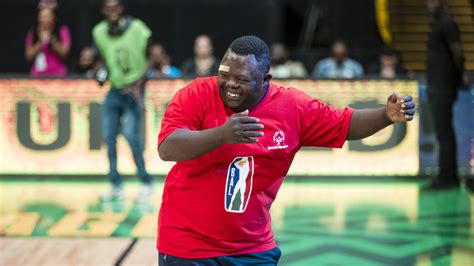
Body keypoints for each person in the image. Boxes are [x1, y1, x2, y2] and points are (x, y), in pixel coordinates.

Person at [157, 35, 416, 264]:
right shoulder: (197, 94)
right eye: (224, 75)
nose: (230, 84)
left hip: (251, 248)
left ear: (265, 79)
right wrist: (222, 135)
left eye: (242, 79)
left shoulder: (292, 107)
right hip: (187, 245)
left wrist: (385, 115)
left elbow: (345, 124)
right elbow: (168, 147)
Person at [92, 0, 153, 202]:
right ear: (103, 10)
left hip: (134, 90)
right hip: (115, 89)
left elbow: (155, 54)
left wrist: (140, 82)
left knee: (130, 135)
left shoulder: (137, 28)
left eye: (116, 6)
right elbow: (101, 58)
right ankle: (115, 184)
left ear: (122, 8)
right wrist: (100, 71)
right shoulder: (99, 32)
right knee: (108, 137)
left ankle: (145, 181)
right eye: (108, 7)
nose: (112, 11)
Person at [423, 0, 468, 190]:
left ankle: (448, 178)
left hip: (443, 86)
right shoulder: (437, 23)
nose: (429, 4)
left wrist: (460, 75)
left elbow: (457, 51)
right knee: (443, 133)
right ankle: (448, 176)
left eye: (433, 1)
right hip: (437, 85)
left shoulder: (447, 23)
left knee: (444, 133)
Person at [24, 3, 71, 77]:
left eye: (46, 17)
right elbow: (28, 56)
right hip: (37, 75)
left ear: (53, 18)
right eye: (41, 17)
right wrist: (40, 42)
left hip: (58, 74)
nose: (43, 20)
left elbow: (64, 54)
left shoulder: (62, 30)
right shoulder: (33, 32)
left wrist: (51, 39)